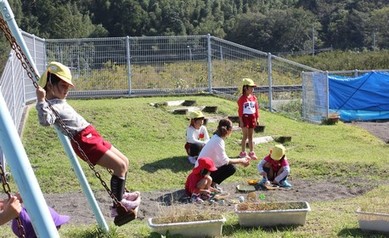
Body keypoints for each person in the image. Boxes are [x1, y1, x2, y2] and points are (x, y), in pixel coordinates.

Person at [35, 62, 140, 226]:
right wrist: (41, 100)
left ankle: (120, 198)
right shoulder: (48, 105)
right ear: (50, 84)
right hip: (83, 140)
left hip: (91, 133)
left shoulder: (58, 100)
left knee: (125, 161)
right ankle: (118, 207)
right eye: (63, 86)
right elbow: (45, 121)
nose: (66, 90)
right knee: (119, 166)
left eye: (68, 87)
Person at [197, 119, 250, 191]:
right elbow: (225, 161)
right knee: (231, 168)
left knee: (230, 166)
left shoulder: (216, 137)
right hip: (201, 172)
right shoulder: (218, 140)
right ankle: (212, 184)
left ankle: (213, 184)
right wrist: (241, 160)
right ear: (229, 130)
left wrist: (240, 159)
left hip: (203, 169)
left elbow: (222, 159)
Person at [237, 78, 260, 160]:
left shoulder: (254, 98)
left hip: (252, 118)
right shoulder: (242, 99)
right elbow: (240, 111)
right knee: (245, 136)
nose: (252, 89)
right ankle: (243, 152)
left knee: (251, 136)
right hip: (245, 118)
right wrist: (241, 121)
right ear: (245, 88)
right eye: (251, 87)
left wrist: (257, 118)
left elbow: (256, 109)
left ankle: (251, 152)